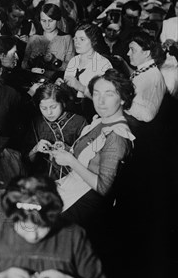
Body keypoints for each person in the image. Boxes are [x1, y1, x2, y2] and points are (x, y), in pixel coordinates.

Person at [52, 69, 135, 248]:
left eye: (109, 94)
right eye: (96, 93)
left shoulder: (117, 136)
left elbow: (104, 188)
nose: (100, 101)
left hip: (91, 199)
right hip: (77, 185)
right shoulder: (101, 121)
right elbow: (90, 154)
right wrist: (67, 150)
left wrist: (70, 161)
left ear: (122, 99)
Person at [25, 83, 87, 180]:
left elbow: (88, 159)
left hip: (75, 178)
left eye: (53, 107)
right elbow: (27, 160)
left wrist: (69, 150)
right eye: (44, 108)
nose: (49, 113)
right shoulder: (36, 123)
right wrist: (35, 149)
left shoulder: (79, 122)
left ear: (63, 103)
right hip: (44, 179)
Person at [63, 24, 112, 117]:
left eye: (82, 39)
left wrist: (80, 87)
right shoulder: (74, 60)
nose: (77, 42)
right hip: (72, 111)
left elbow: (106, 99)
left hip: (93, 113)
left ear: (93, 41)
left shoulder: (103, 64)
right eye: (75, 38)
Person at [125, 32, 166, 123]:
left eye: (132, 50)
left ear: (146, 53)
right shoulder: (145, 70)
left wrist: (123, 101)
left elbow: (147, 115)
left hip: (138, 129)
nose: (128, 53)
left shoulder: (152, 77)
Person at [22, 3, 75, 72]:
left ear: (57, 19)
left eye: (50, 21)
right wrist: (32, 60)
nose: (47, 25)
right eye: (43, 21)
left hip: (58, 80)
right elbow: (23, 65)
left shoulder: (67, 39)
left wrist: (55, 60)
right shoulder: (33, 39)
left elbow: (71, 68)